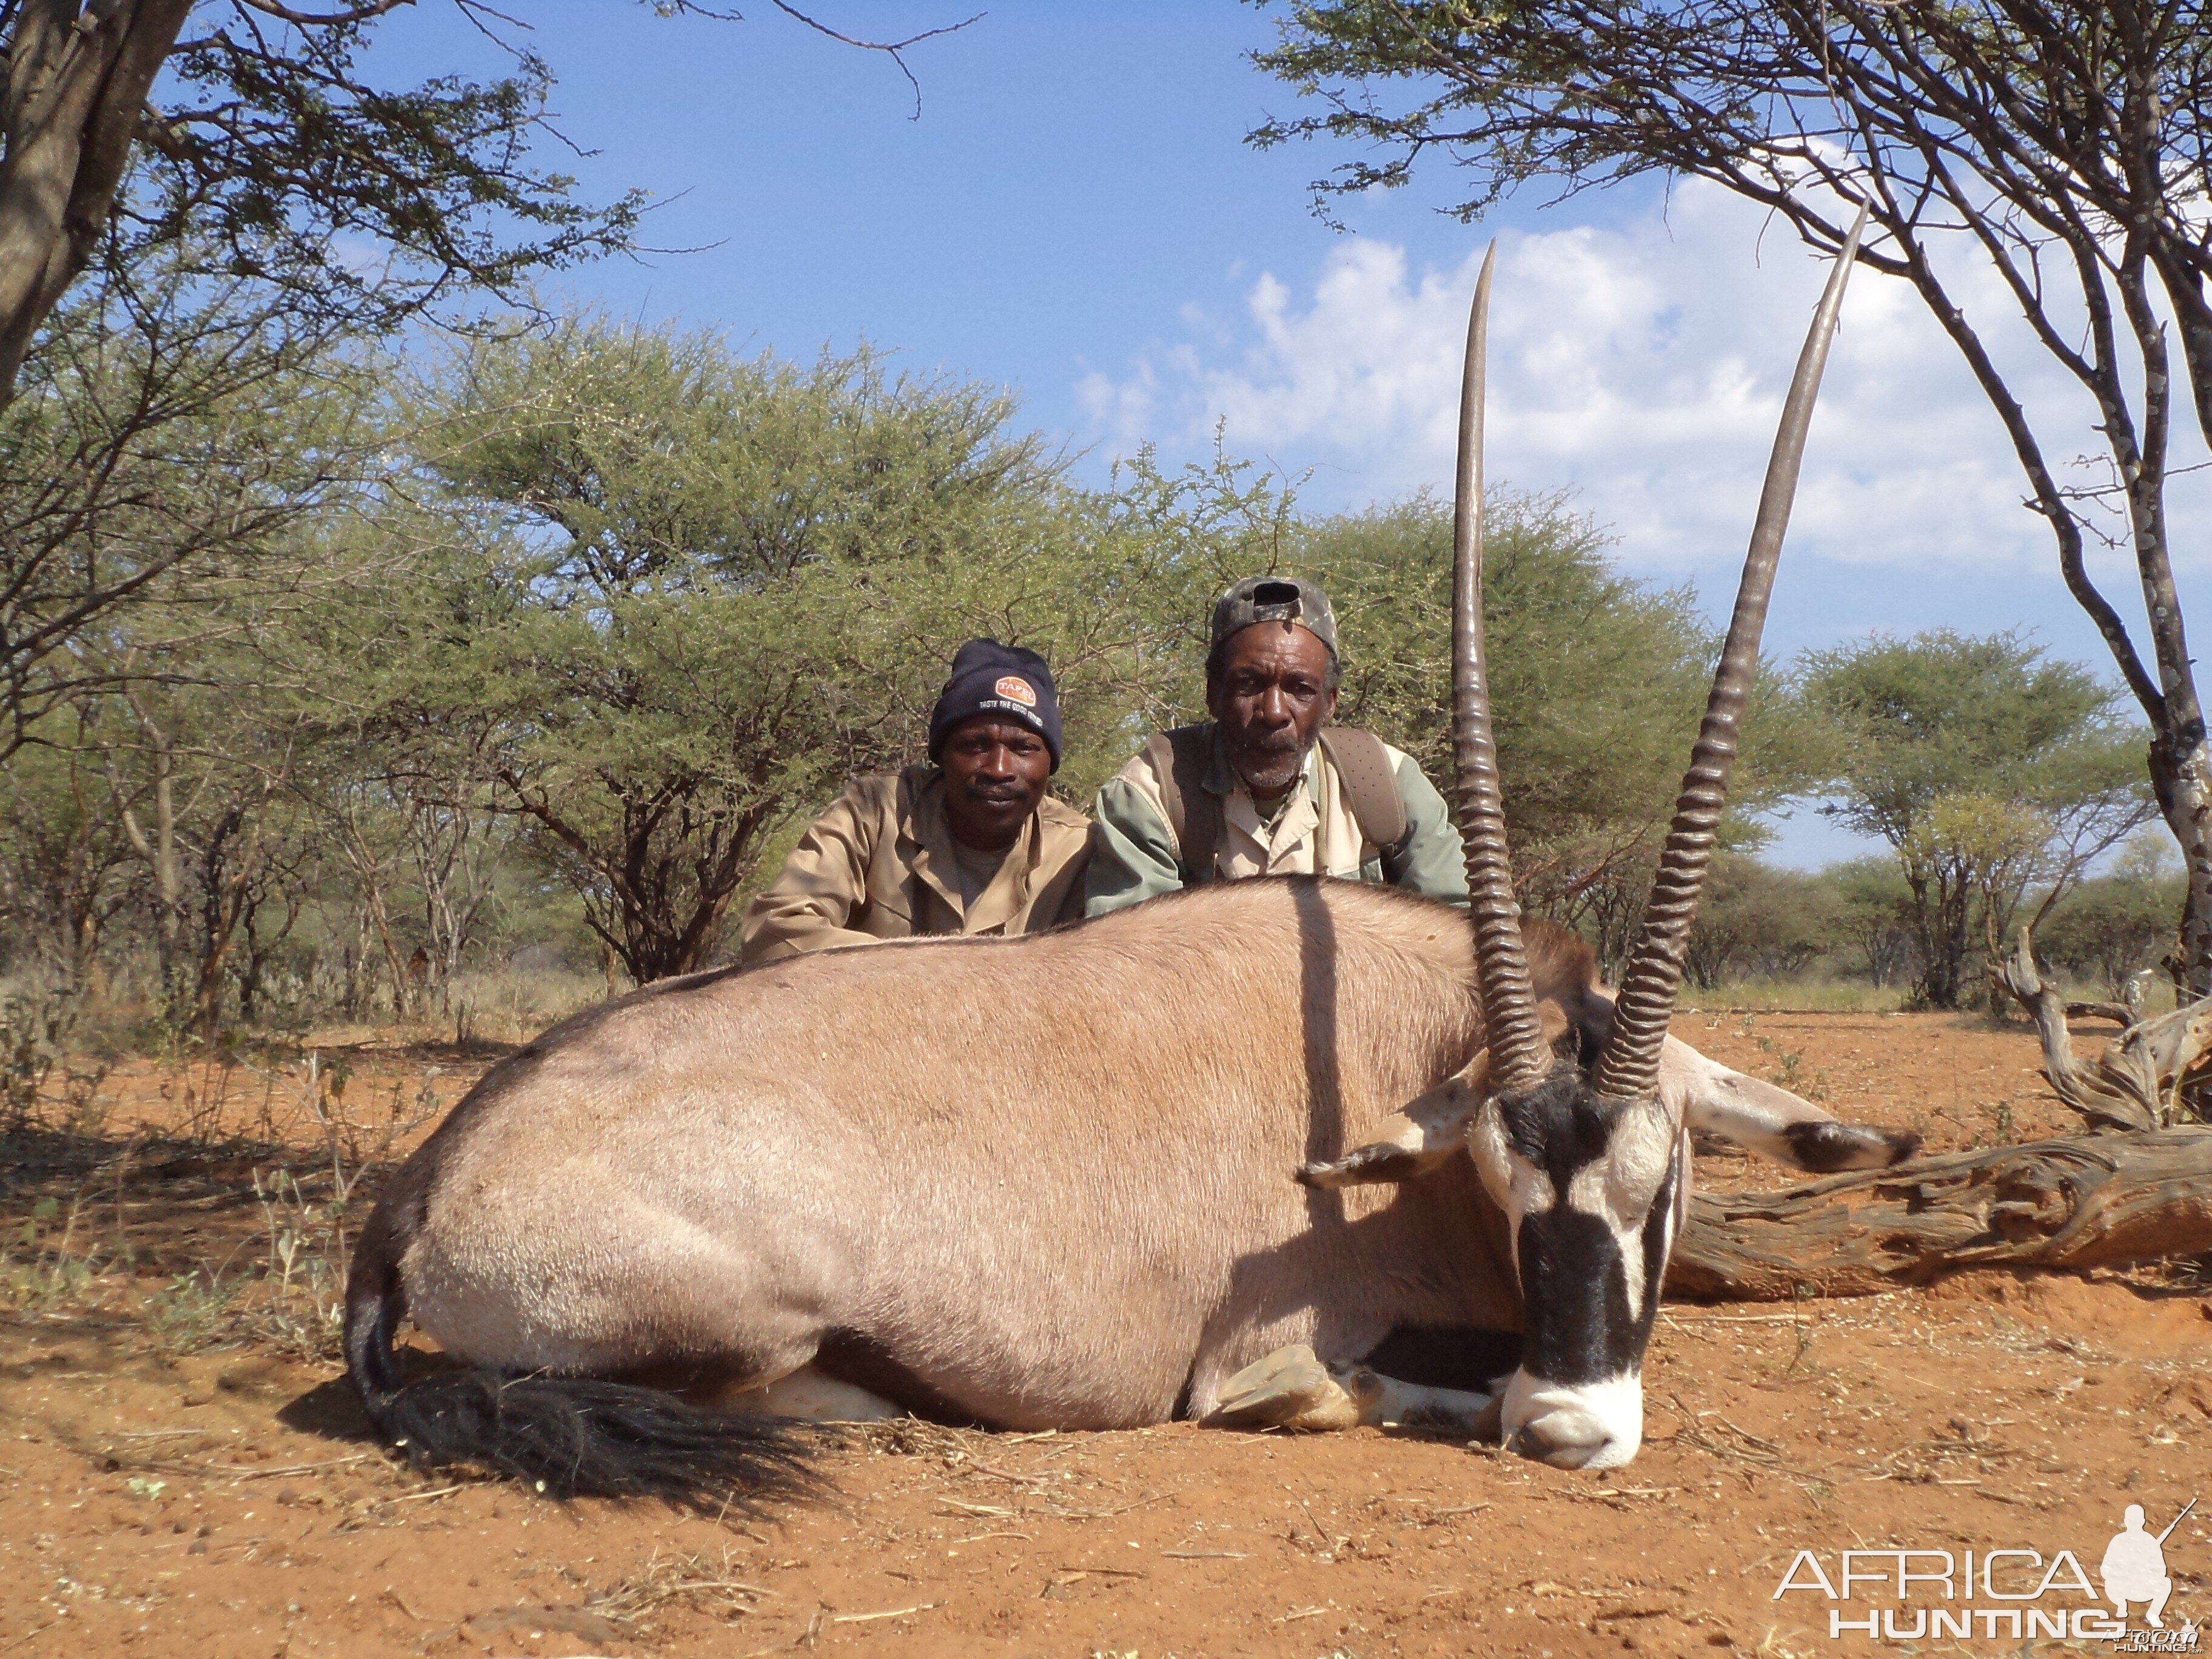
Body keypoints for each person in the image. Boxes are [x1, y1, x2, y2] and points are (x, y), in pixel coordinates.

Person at [1085, 574, 1467, 917]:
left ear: (1330, 703)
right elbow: (1129, 968)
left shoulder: (1387, 783)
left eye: (1300, 689)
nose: (1273, 712)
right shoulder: (1151, 792)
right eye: (1248, 684)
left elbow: (1465, 934)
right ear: (1213, 693)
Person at [740, 640, 1091, 964]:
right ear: (941, 755)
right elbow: (775, 931)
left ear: (1050, 763)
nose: (999, 770)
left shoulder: (1081, 850)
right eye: (975, 745)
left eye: (1024, 749)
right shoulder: (876, 811)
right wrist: (927, 975)